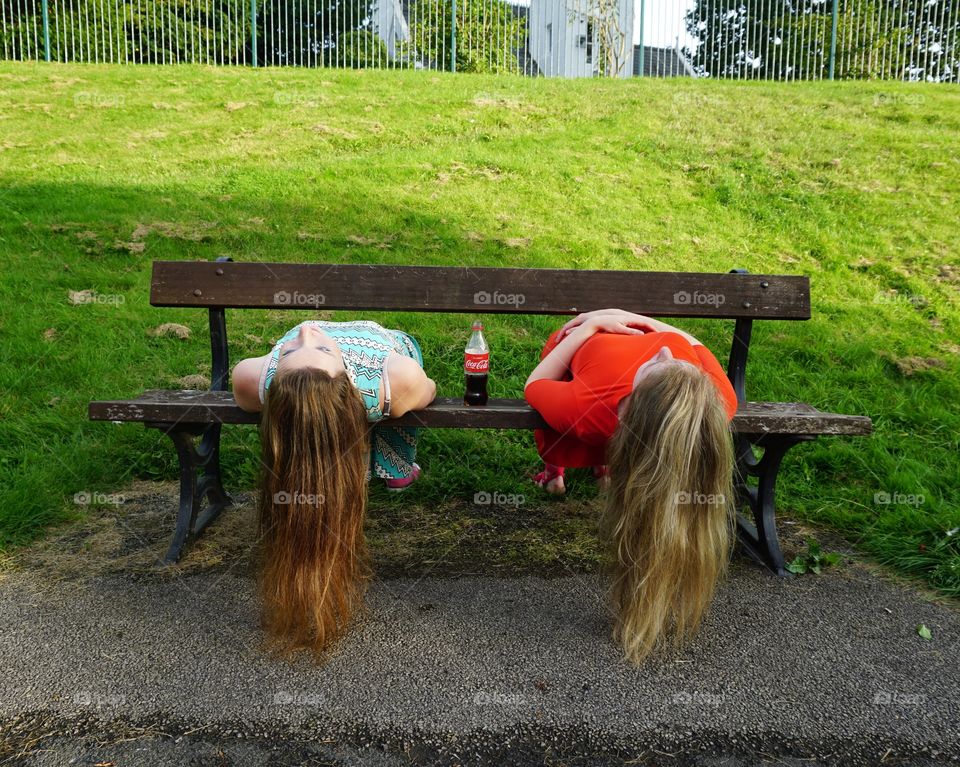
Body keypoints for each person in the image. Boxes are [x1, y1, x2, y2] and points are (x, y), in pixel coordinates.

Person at [523, 309, 739, 666]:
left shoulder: (586, 407)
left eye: (659, 364)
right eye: (671, 360)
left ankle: (564, 470)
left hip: (590, 339)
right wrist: (634, 318)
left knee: (573, 412)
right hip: (610, 335)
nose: (666, 351)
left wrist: (589, 327)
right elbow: (691, 343)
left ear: (631, 412)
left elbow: (535, 384)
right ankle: (604, 468)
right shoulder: (715, 402)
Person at [231, 319, 436, 659]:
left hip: (385, 353)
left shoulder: (260, 378)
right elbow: (427, 388)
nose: (305, 332)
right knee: (397, 404)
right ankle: (398, 470)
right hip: (380, 384)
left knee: (396, 404)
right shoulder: (394, 380)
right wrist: (386, 403)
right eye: (293, 350)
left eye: (301, 348)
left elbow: (425, 388)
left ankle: (392, 465)